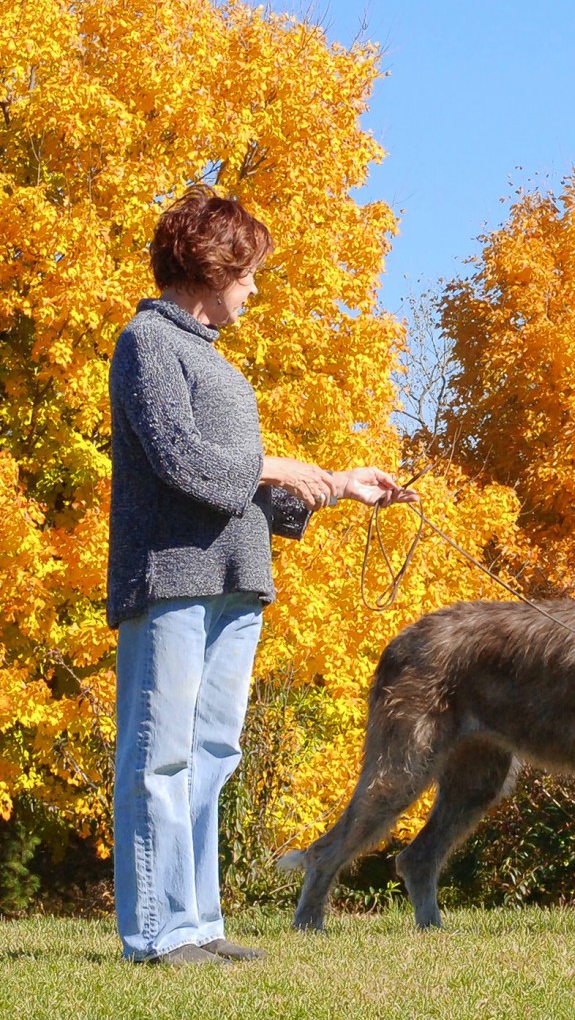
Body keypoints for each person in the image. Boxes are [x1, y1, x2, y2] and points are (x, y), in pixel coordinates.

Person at [107, 185, 416, 966]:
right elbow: (182, 464)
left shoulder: (212, 360)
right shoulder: (147, 341)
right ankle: (157, 933)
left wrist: (338, 483)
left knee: (212, 751)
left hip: (237, 575)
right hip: (172, 574)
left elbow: (235, 485)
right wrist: (277, 463)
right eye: (249, 270)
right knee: (160, 754)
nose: (256, 285)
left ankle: (198, 923)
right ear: (212, 264)